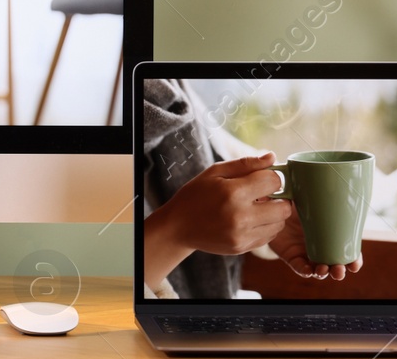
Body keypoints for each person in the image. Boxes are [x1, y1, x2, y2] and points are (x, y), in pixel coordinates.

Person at [143, 79, 362, 298]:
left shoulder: (170, 84)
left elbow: (215, 148)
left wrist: (271, 205)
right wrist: (175, 230)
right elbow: (109, 292)